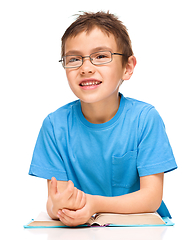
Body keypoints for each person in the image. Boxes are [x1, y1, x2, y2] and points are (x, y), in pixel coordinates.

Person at [29, 11, 177, 227]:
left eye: (100, 56)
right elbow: (54, 203)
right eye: (74, 59)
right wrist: (59, 208)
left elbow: (151, 197)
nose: (85, 68)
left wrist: (93, 203)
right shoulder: (54, 126)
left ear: (127, 67)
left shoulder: (145, 118)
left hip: (141, 230)